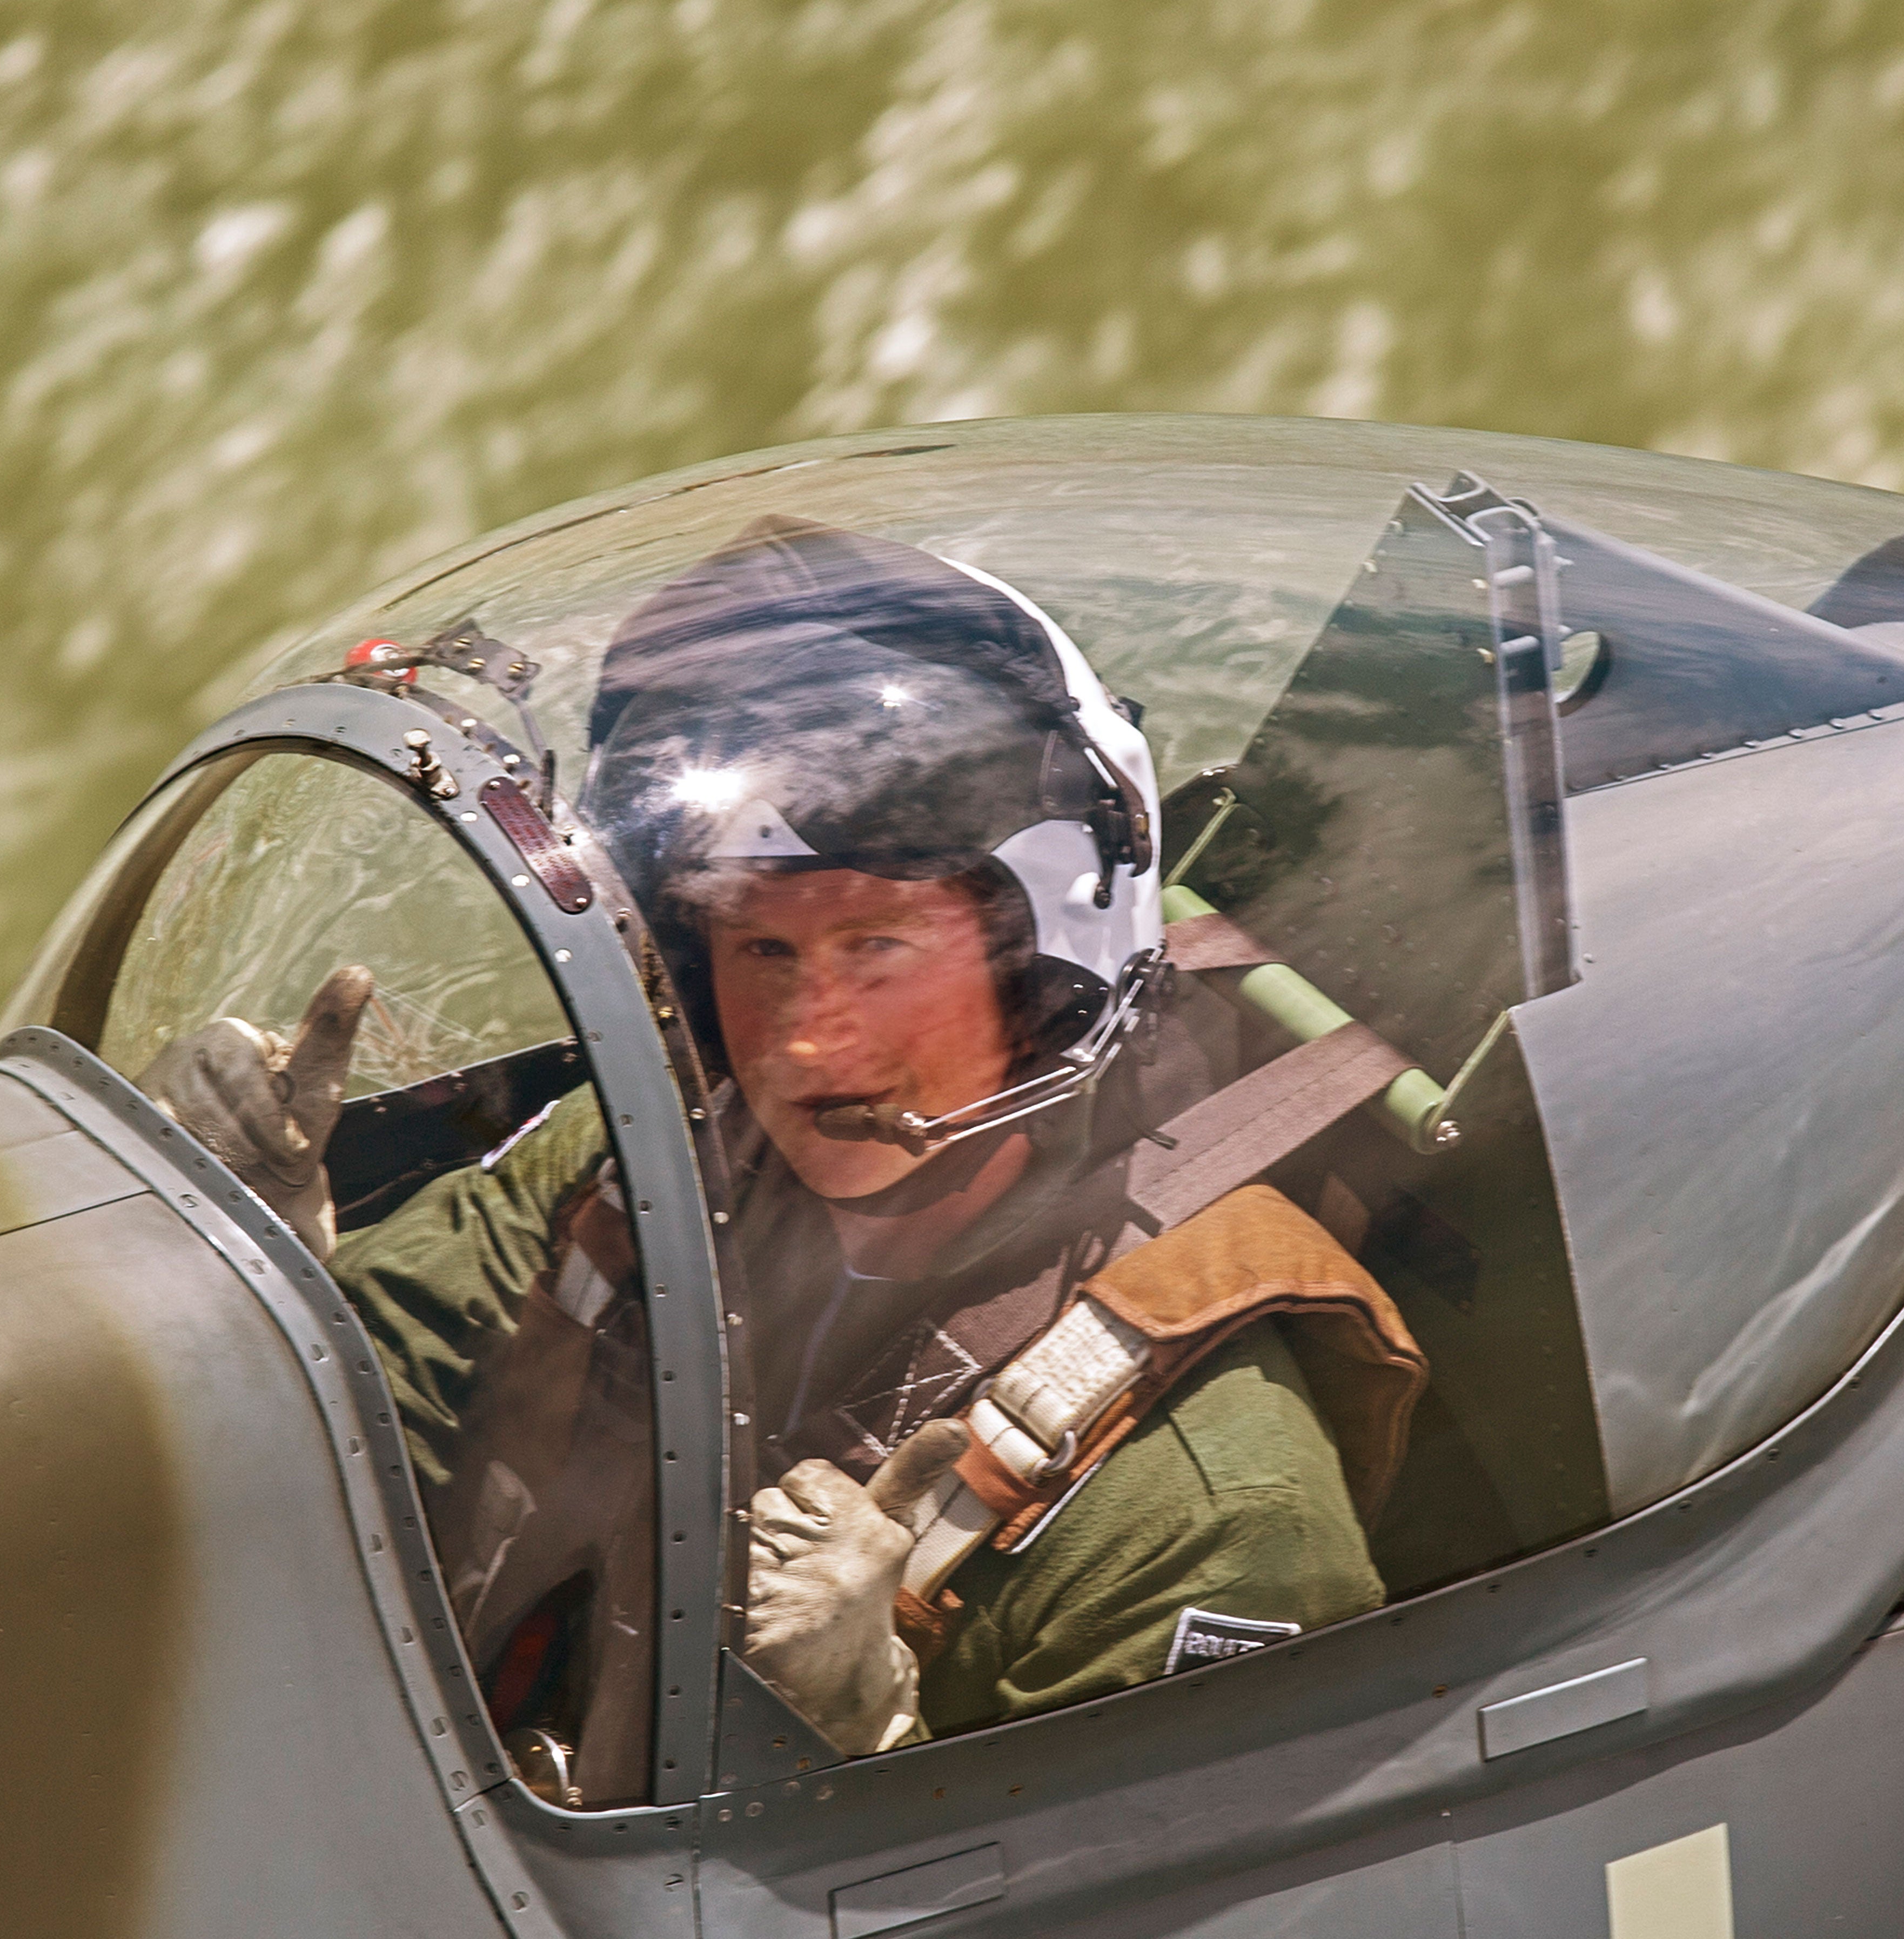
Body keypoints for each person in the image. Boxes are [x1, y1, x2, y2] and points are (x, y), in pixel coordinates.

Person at [142, 521, 1424, 1778]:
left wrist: (871, 1734)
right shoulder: (643, 1171)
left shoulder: (1206, 1507)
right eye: (759, 949)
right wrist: (252, 1283)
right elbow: (360, 1441)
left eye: (876, 946)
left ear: (1043, 970)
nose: (805, 1046)